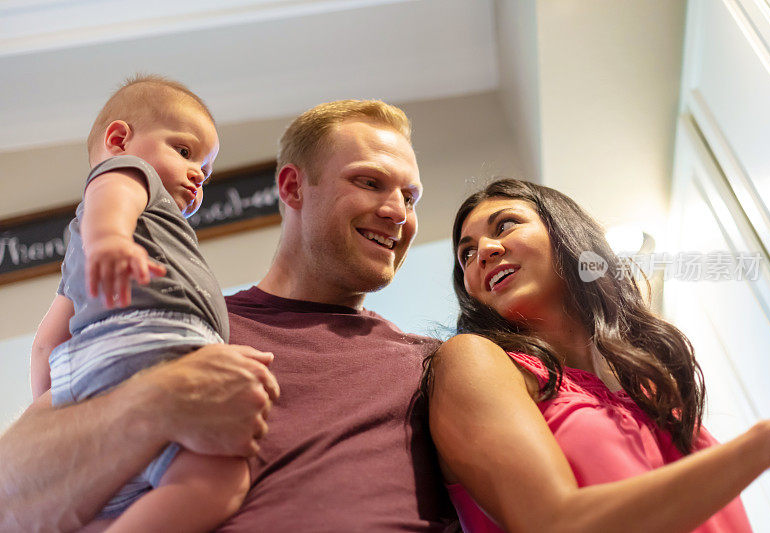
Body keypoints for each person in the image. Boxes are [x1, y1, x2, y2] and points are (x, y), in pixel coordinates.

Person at [0, 99, 453, 531]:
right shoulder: (178, 330)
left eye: (410, 197)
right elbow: (9, 502)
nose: (398, 213)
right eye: (370, 182)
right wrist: (157, 402)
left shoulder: (436, 367)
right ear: (293, 186)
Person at [427, 178, 770, 532]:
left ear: (564, 233)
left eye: (505, 225)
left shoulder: (649, 384)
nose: (484, 253)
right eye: (467, 254)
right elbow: (553, 524)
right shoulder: (472, 361)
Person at [27, 75, 276, 532]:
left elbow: (47, 341)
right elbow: (110, 195)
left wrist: (58, 405)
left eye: (206, 167)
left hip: (90, 371)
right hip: (155, 345)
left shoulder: (79, 262)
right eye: (185, 152)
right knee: (218, 477)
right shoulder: (130, 176)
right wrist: (110, 238)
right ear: (120, 140)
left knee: (112, 500)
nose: (199, 173)